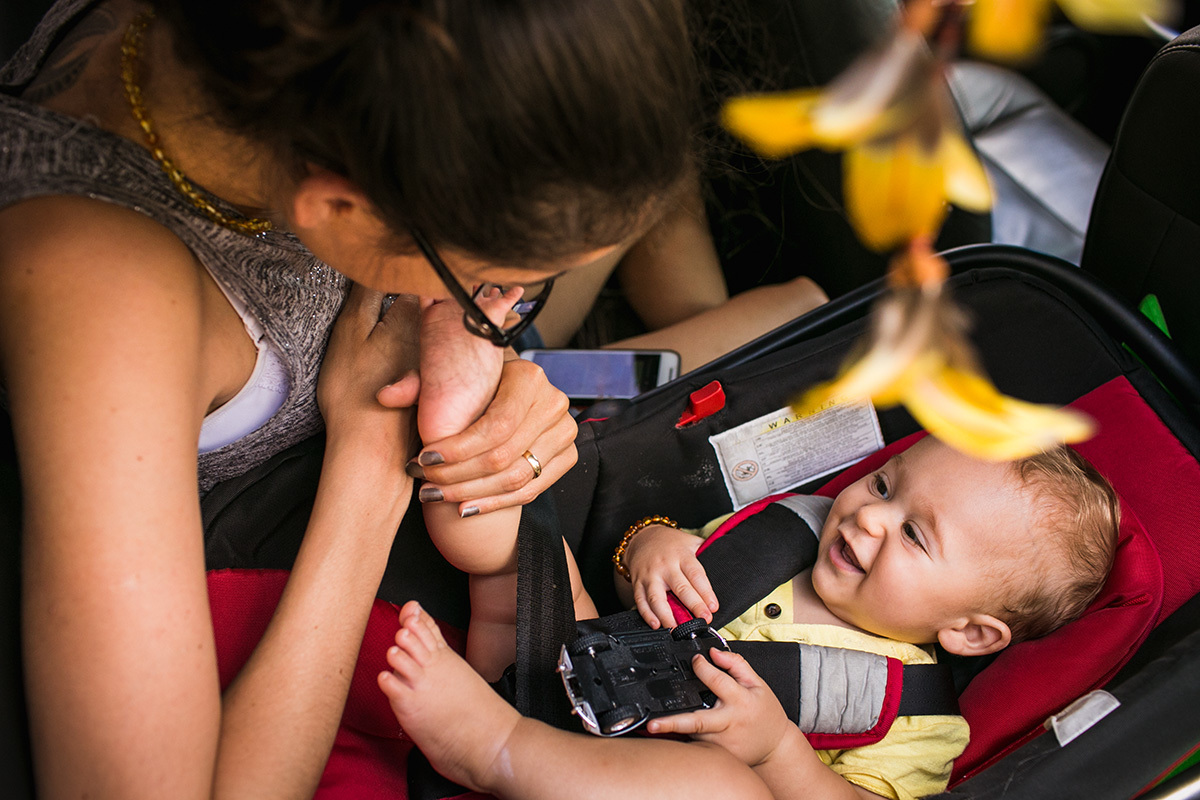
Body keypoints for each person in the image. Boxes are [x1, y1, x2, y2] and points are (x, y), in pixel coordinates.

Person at [0, 0, 701, 795]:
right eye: (497, 287)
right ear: (338, 208)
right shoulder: (108, 299)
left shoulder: (295, 55)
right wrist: (371, 458)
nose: (506, 312)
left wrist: (474, 337)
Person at [391, 320, 1120, 800]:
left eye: (915, 535)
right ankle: (451, 452)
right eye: (883, 484)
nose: (869, 515)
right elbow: (636, 582)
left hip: (637, 784)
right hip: (563, 674)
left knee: (720, 789)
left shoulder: (915, 718)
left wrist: (778, 754)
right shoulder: (787, 528)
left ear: (971, 632)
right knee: (524, 539)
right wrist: (648, 545)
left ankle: (492, 748)